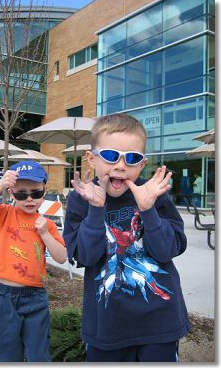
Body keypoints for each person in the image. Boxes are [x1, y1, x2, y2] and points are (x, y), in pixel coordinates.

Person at [63, 113, 191, 362]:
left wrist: (148, 209)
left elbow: (166, 251)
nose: (121, 165)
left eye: (132, 158)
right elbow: (86, 256)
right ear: (92, 159)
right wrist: (96, 209)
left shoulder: (153, 194)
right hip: (108, 327)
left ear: (142, 164)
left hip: (160, 324)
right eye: (111, 156)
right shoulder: (82, 199)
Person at [0, 160, 67, 362]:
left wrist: (45, 234)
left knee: (39, 353)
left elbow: (61, 257)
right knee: (3, 352)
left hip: (35, 297)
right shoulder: (6, 214)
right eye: (21, 194)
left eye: (35, 193)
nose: (29, 199)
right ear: (11, 194)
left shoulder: (48, 224)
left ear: (44, 190)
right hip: (3, 296)